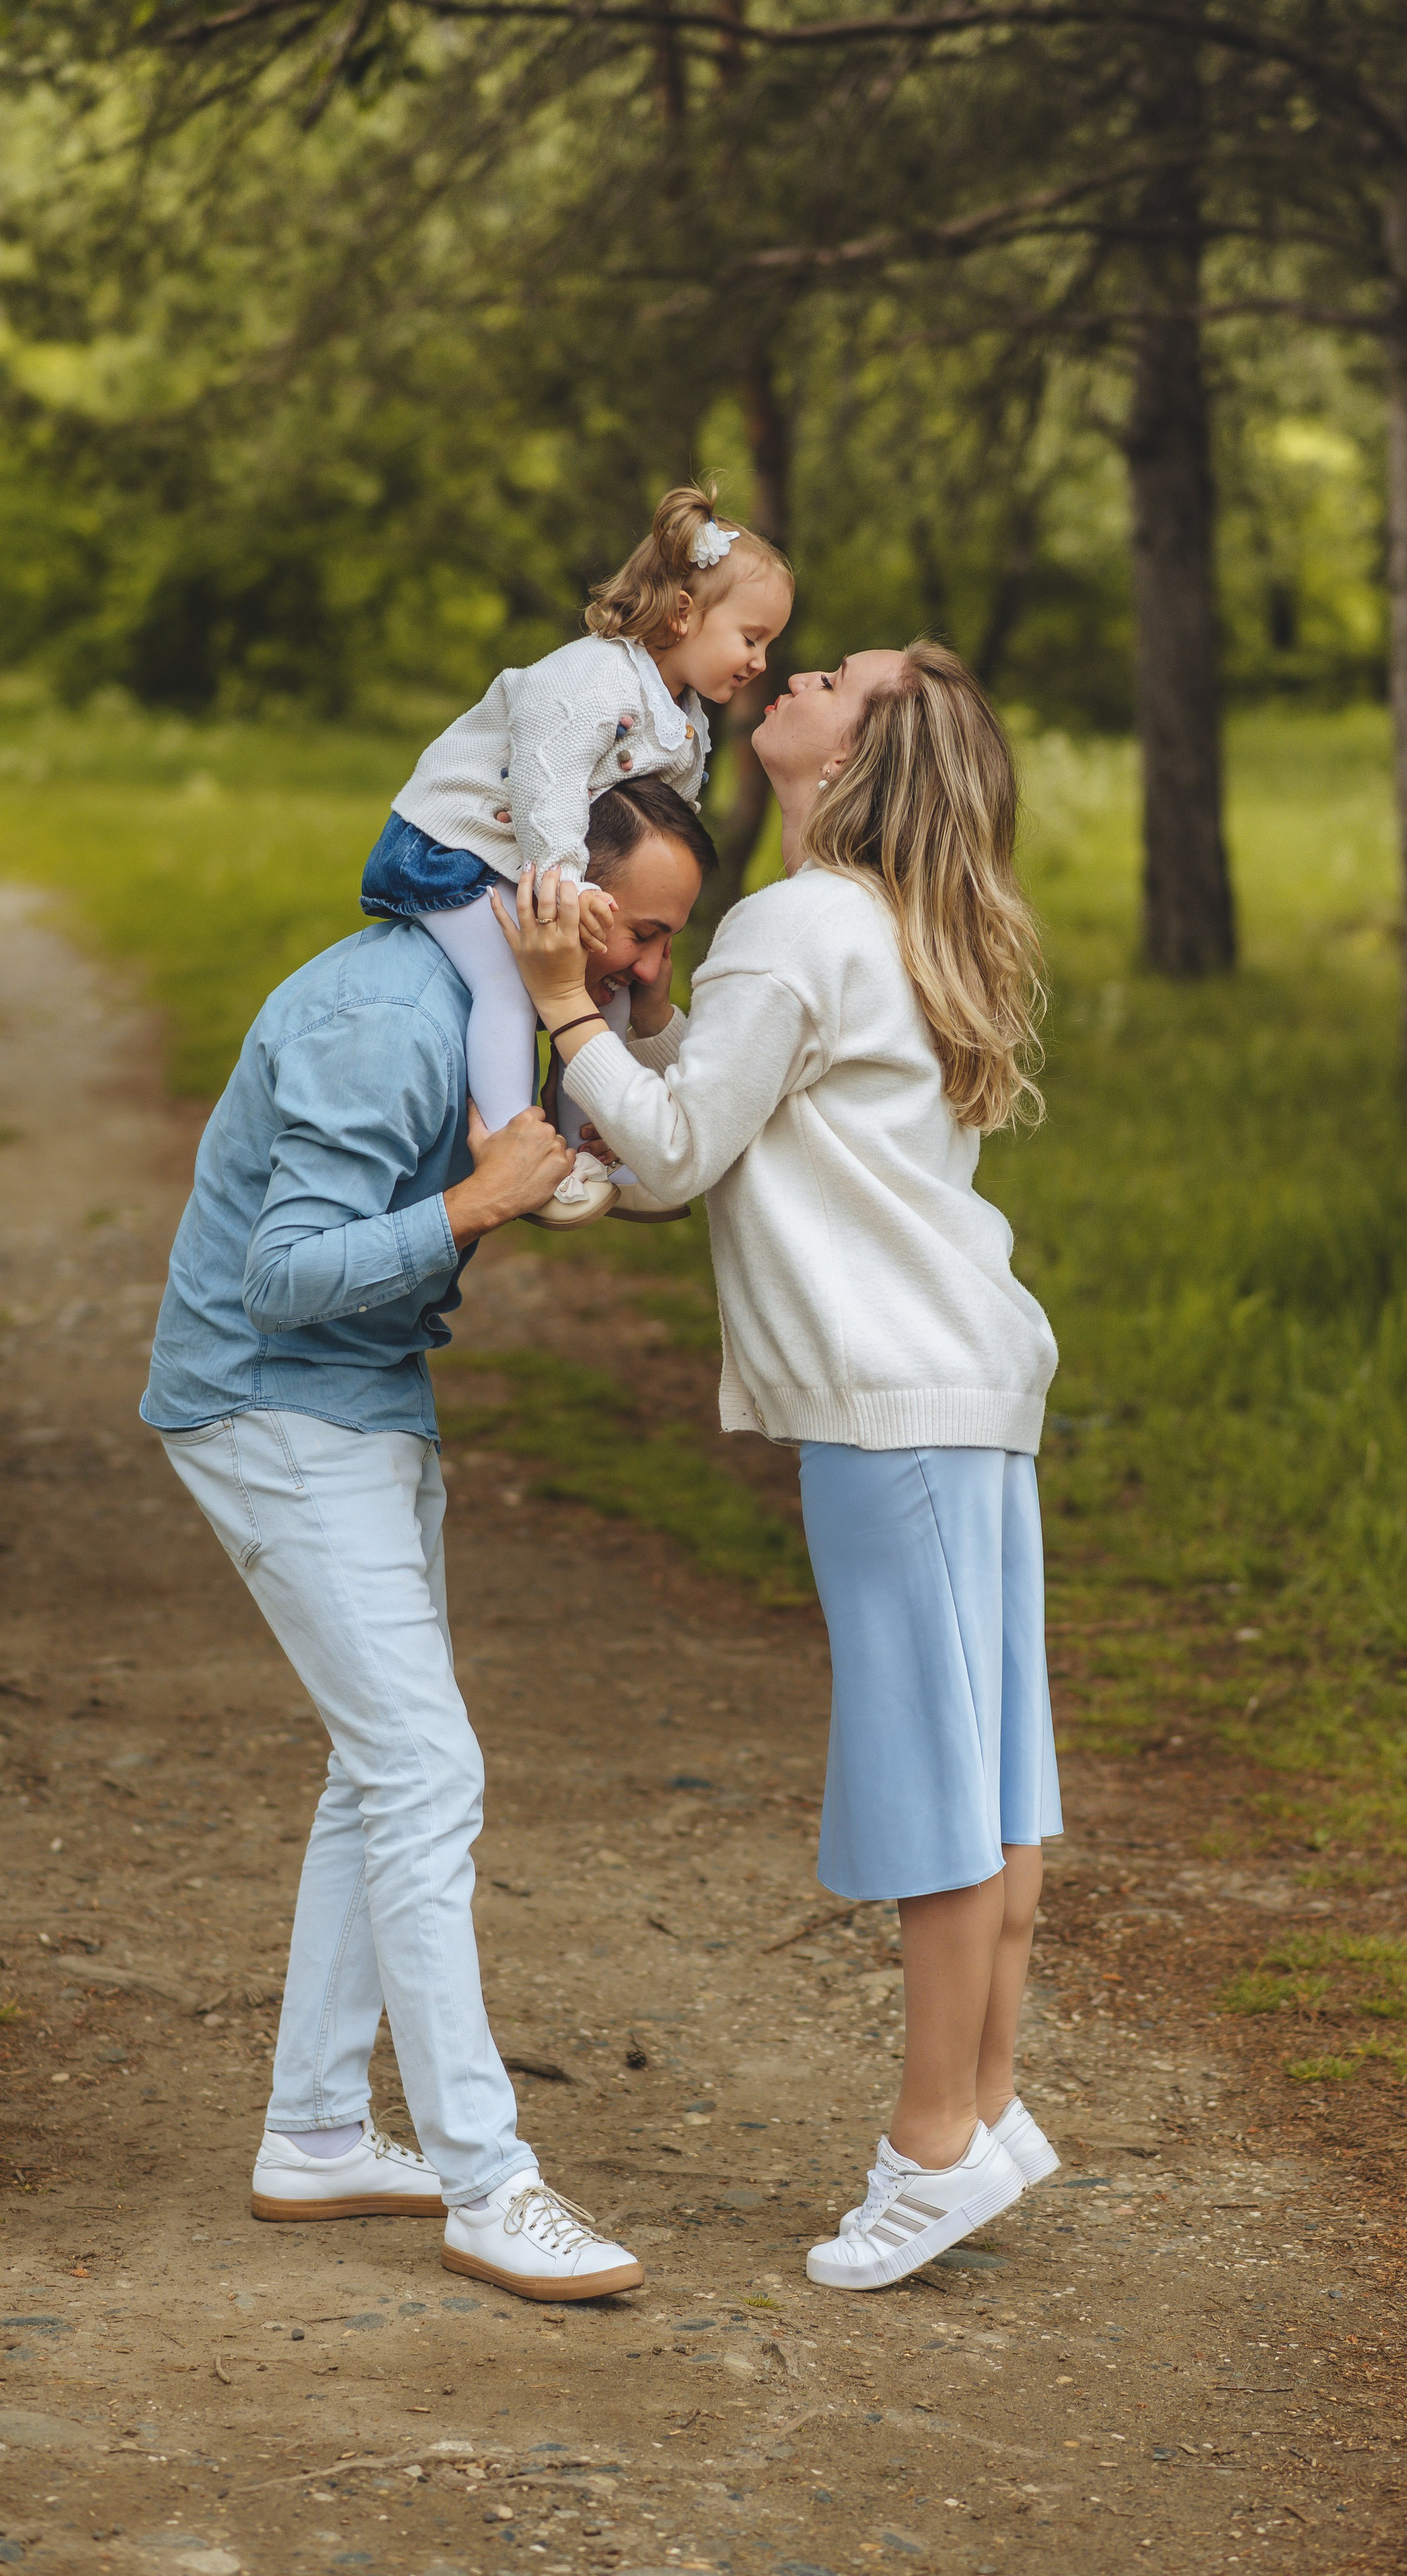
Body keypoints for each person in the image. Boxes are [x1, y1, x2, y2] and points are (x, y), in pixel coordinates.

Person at [500, 638, 1065, 2293]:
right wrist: (659, 1023)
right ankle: (989, 2106)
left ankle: (928, 2149)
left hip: (887, 1413)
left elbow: (670, 1161)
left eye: (833, 675)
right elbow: (744, 1111)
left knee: (929, 1793)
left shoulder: (798, 918)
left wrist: (560, 1010)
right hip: (969, 1392)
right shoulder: (892, 919)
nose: (794, 673)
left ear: (860, 747)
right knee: (994, 1775)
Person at [141, 780, 717, 2301]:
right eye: (640, 931)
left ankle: (318, 2130)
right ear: (542, 885)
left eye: (669, 940)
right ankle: (487, 2178)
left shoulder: (496, 999)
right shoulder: (389, 1019)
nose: (652, 966)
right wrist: (471, 1203)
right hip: (271, 1401)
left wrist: (581, 1057)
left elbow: (642, 1162)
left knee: (377, 1763)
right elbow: (276, 1276)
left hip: (366, 1394)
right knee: (425, 1767)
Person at [360, 485, 792, 1228]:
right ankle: (510, 1149)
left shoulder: (683, 720)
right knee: (512, 976)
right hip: (454, 847)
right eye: (751, 638)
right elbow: (546, 776)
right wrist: (564, 887)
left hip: (539, 868)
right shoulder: (593, 678)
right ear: (684, 614)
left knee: (609, 987)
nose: (760, 661)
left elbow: (661, 823)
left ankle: (590, 1148)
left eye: (768, 646)